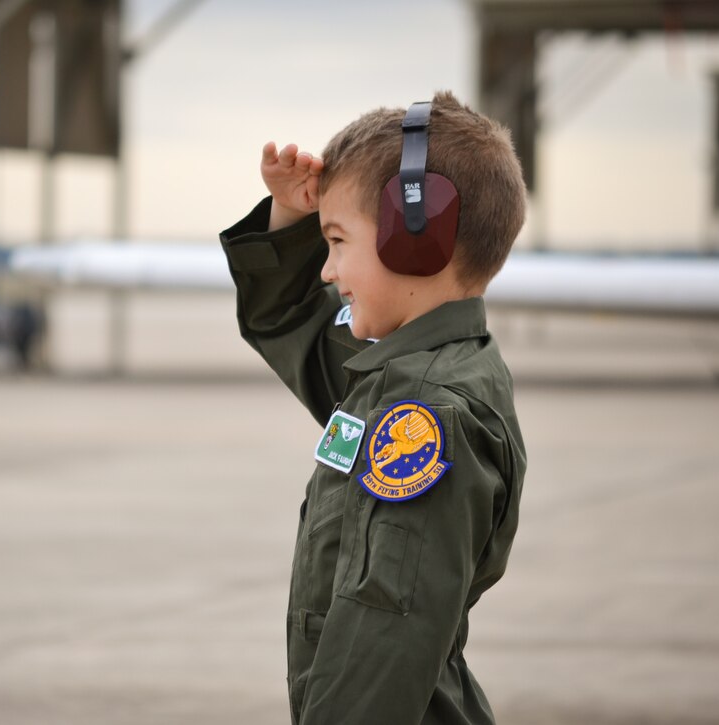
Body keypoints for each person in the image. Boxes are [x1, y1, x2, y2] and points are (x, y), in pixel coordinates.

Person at [218, 90, 527, 724]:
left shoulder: (424, 416)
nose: (327, 270)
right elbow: (290, 320)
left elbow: (381, 641)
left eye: (335, 240)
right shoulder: (405, 374)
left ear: (417, 238)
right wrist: (289, 215)